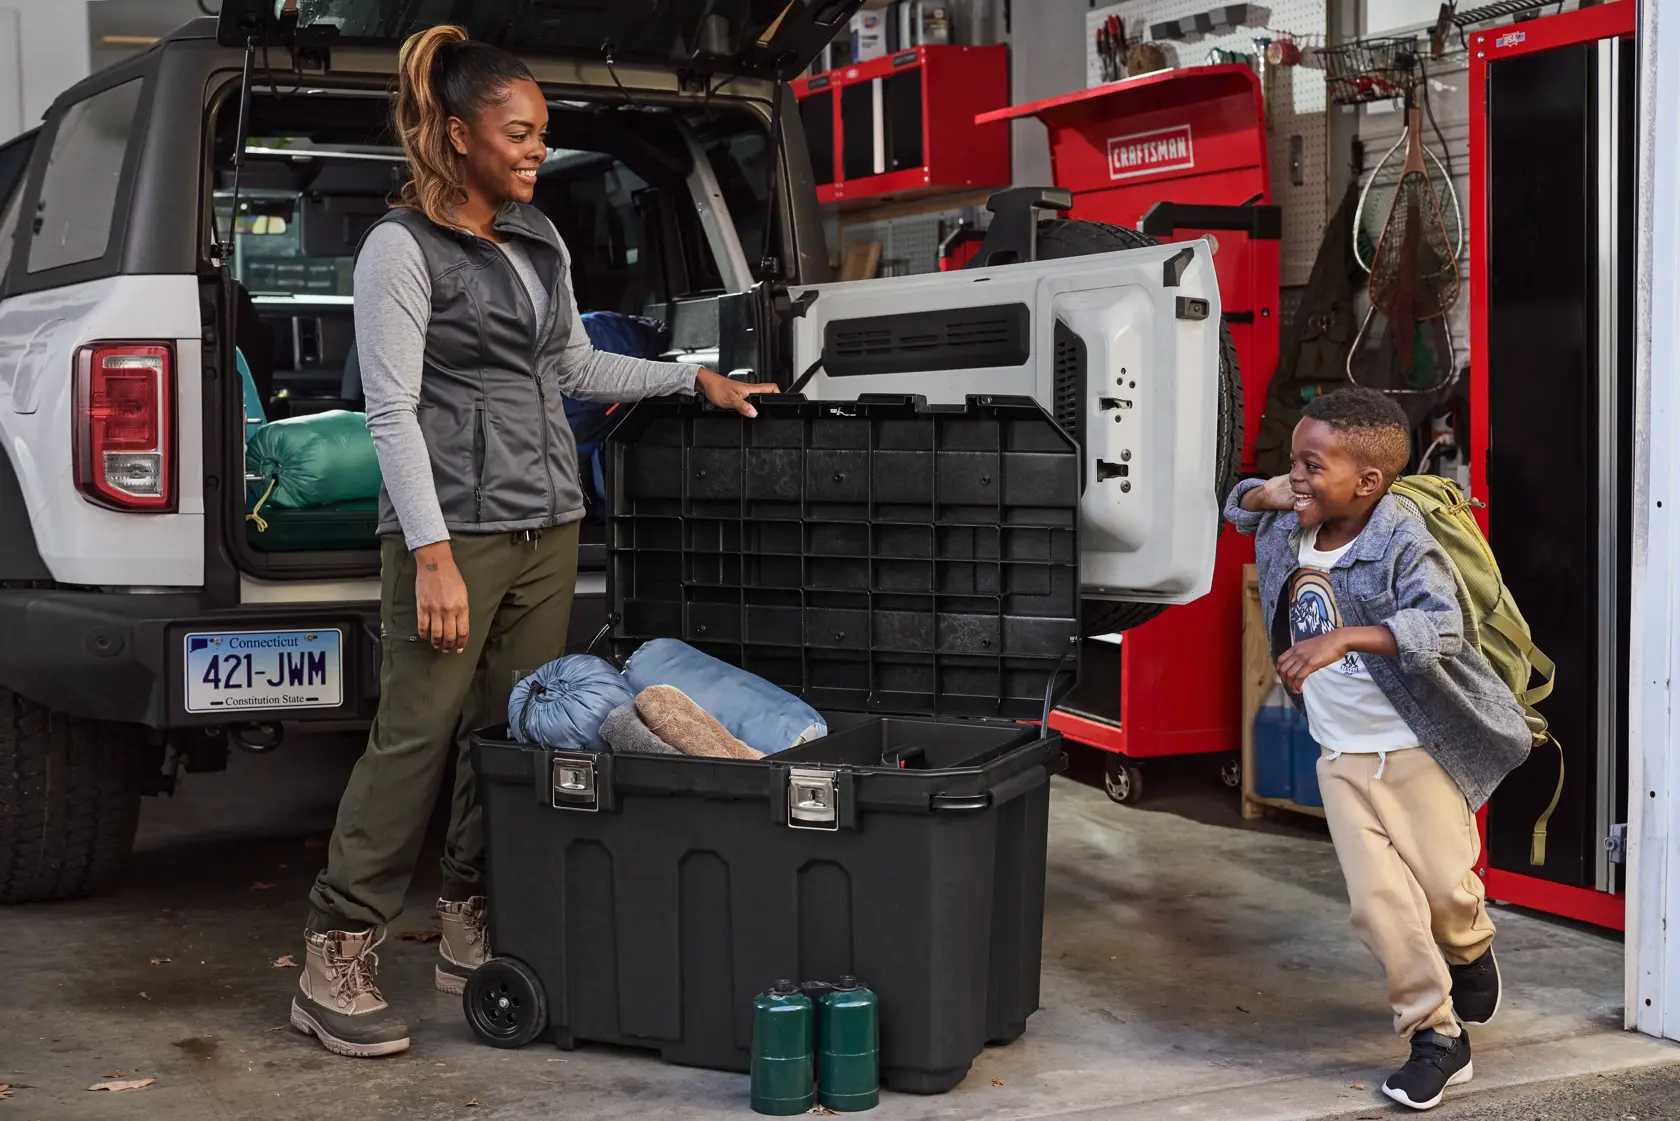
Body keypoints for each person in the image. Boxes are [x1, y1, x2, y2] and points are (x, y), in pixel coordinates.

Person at [289, 25, 777, 1059]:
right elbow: (391, 411)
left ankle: (471, 920)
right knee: (416, 735)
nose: (535, 151)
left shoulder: (539, 238)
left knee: (512, 733)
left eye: (543, 134)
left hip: (550, 522)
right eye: (518, 134)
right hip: (454, 531)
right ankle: (335, 949)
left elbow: (571, 367)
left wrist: (687, 376)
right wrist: (429, 552)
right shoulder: (400, 249)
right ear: (457, 134)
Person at [1224, 388, 1530, 1111]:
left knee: (1446, 888)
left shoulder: (1397, 537)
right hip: (1341, 755)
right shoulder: (1288, 520)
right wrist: (1276, 487)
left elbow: (1439, 627)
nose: (1296, 477)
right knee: (1378, 902)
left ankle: (1470, 944)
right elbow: (1235, 505)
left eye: (1312, 464)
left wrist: (1345, 637)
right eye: (1292, 460)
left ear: (1366, 482)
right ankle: (1435, 1034)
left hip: (1416, 749)